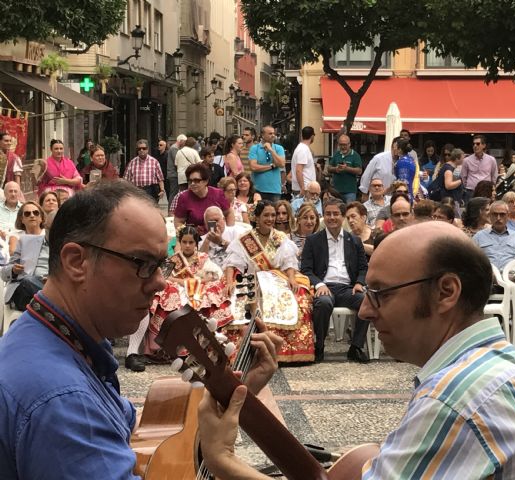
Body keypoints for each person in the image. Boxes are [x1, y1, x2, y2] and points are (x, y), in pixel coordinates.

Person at [199, 221, 515, 479]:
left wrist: (224, 462)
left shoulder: (457, 398)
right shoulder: (511, 363)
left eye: (380, 293)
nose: (364, 309)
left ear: (446, 292)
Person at [0, 180, 281, 477]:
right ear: (76, 262)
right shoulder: (64, 402)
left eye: (162, 265)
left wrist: (234, 395)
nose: (161, 282)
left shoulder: (59, 339)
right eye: (142, 263)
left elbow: (134, 436)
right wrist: (224, 462)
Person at [223, 200, 315, 363]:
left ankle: (284, 349)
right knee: (235, 300)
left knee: (298, 297)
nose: (271, 218)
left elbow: (289, 263)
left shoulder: (281, 238)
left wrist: (292, 279)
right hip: (251, 278)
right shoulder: (245, 239)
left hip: (275, 278)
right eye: (266, 215)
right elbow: (232, 263)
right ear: (256, 217)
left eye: (273, 215)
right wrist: (230, 281)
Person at [145, 225, 233, 361]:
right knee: (169, 294)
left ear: (196, 243)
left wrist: (196, 281)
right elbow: (164, 278)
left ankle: (208, 346)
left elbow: (215, 275)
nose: (187, 245)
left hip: (199, 292)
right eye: (184, 242)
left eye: (191, 242)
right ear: (180, 242)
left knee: (213, 292)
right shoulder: (173, 260)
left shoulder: (203, 258)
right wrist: (186, 282)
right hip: (181, 292)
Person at [301, 198, 369, 363]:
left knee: (366, 301)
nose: (331, 217)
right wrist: (319, 284)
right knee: (323, 303)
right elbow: (306, 270)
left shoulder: (354, 241)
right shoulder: (313, 241)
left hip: (347, 288)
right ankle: (320, 345)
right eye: (328, 214)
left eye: (335, 214)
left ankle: (356, 347)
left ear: (343, 216)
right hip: (325, 286)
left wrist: (360, 282)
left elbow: (363, 268)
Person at [0, 207, 51, 311]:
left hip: (48, 282)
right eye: (27, 213)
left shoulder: (56, 240)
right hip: (25, 289)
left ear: (41, 218)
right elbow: (4, 273)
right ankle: (56, 303)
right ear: (22, 219)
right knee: (28, 281)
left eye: (36, 213)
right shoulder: (22, 241)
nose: (32, 215)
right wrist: (13, 270)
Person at [174, 163, 232, 237]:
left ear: (206, 181)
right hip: (196, 239)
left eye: (196, 180)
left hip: (218, 236)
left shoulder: (218, 194)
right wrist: (189, 235)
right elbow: (178, 222)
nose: (192, 183)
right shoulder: (184, 197)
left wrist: (228, 232)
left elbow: (229, 213)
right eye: (190, 181)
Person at [473, 201, 515, 270]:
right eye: (495, 214)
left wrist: (514, 276)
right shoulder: (478, 237)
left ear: (508, 216)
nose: (498, 218)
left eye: (502, 214)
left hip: (512, 277)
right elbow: (473, 261)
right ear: (490, 215)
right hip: (488, 276)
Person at [249, 125, 286, 202]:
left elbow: (282, 164)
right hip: (258, 189)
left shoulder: (279, 148)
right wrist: (272, 166)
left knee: (274, 213)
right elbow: (253, 167)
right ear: (262, 135)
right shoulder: (254, 148)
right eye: (270, 133)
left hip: (275, 190)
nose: (273, 135)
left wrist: (271, 150)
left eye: (273, 133)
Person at [461, 135, 497, 202]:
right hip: (471, 191)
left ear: (484, 145)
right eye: (473, 144)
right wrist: (469, 186)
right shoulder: (466, 160)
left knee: (486, 211)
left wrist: (491, 188)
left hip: (486, 191)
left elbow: (494, 176)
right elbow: (463, 177)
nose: (475, 146)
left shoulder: (491, 160)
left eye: (478, 144)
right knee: (470, 211)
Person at [329, 134, 363, 203]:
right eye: (341, 145)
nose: (343, 147)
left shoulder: (355, 155)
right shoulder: (336, 154)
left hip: (350, 191)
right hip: (336, 191)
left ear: (349, 144)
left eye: (345, 145)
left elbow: (359, 171)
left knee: (349, 210)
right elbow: (328, 168)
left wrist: (347, 168)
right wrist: (336, 169)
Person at [291, 126, 316, 196]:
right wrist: (302, 187)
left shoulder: (302, 148)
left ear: (302, 136)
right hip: (304, 188)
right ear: (312, 136)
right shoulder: (303, 150)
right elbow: (299, 170)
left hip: (305, 187)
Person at [393, 138, 419, 203]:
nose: (394, 149)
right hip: (408, 195)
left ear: (400, 149)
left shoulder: (402, 162)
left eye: (396, 147)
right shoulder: (410, 159)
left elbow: (403, 182)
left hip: (403, 197)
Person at [167, 134, 186, 206]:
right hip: (173, 174)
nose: (184, 144)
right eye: (184, 142)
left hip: (174, 174)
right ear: (180, 141)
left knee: (174, 192)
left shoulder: (175, 148)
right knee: (173, 193)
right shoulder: (174, 148)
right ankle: (170, 210)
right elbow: (176, 161)